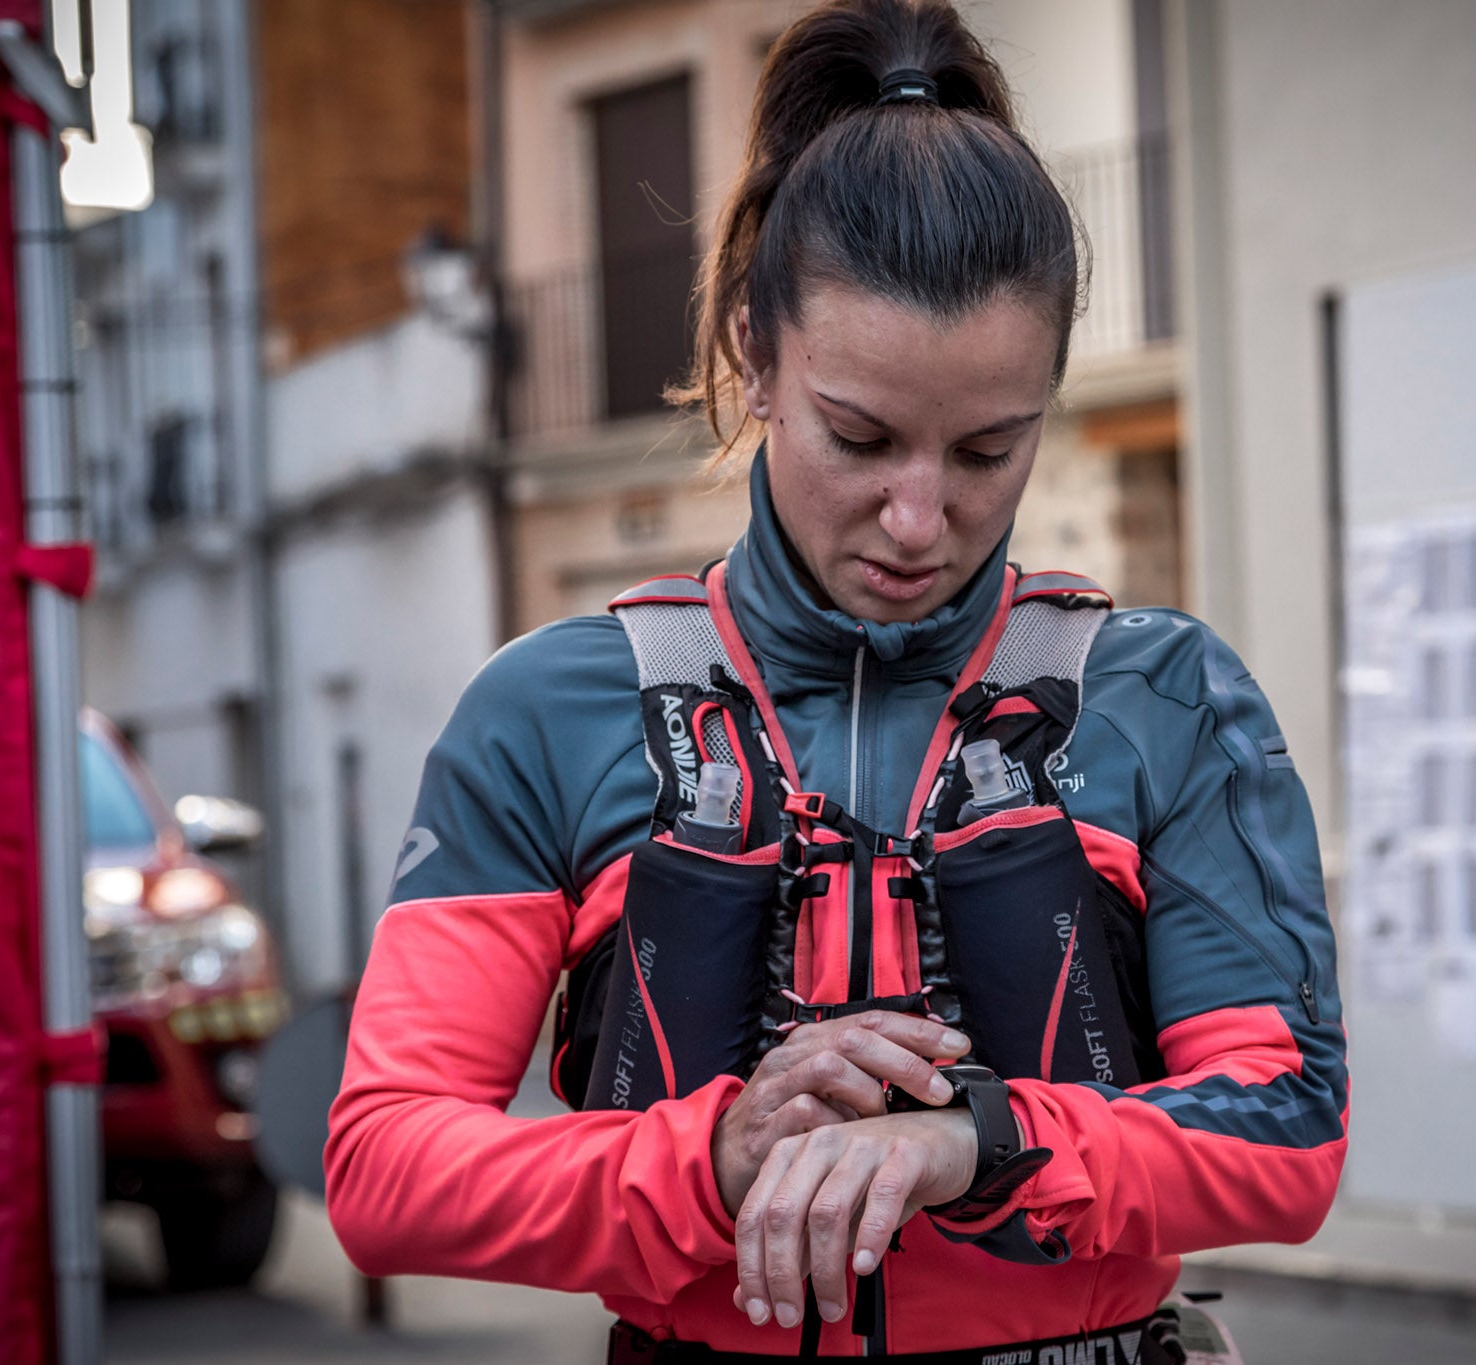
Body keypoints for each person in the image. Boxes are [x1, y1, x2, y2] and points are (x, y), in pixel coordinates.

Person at [324, 0, 1347, 1358]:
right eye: (860, 436)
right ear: (755, 355)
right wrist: (715, 1157)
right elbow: (385, 1166)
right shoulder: (544, 710)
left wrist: (980, 1140)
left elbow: (1287, 1135)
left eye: (988, 450)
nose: (918, 517)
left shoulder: (1168, 698)